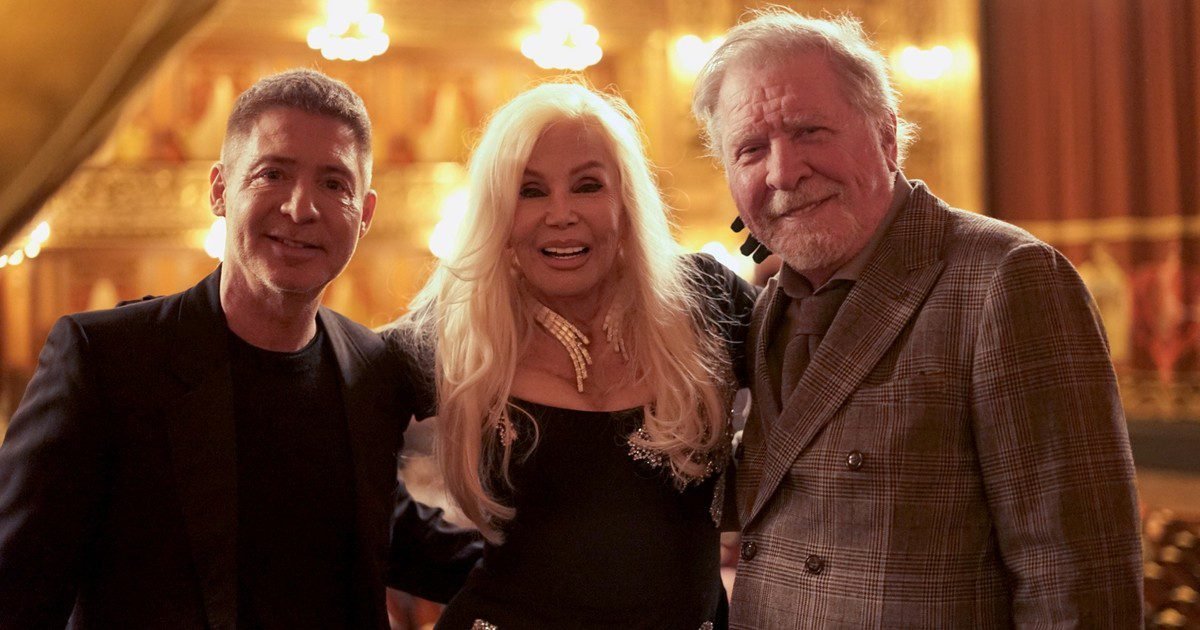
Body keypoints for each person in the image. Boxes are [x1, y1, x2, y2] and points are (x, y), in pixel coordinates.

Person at [691, 9, 1143, 628]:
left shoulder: (1006, 279)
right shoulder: (771, 307)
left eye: (810, 132)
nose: (783, 171)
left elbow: (1077, 581)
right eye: (750, 149)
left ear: (886, 137)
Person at [0, 69, 480, 629]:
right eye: (273, 174)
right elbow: (17, 593)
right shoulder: (106, 361)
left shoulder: (371, 369)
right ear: (220, 190)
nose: (301, 207)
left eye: (334, 184)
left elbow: (380, 527)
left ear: (365, 214)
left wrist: (555, 569)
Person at [388, 82, 756, 629]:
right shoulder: (455, 327)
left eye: (587, 186)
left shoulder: (703, 298)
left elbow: (828, 392)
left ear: (625, 199)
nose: (560, 214)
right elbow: (334, 460)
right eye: (530, 191)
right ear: (498, 212)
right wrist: (462, 567)